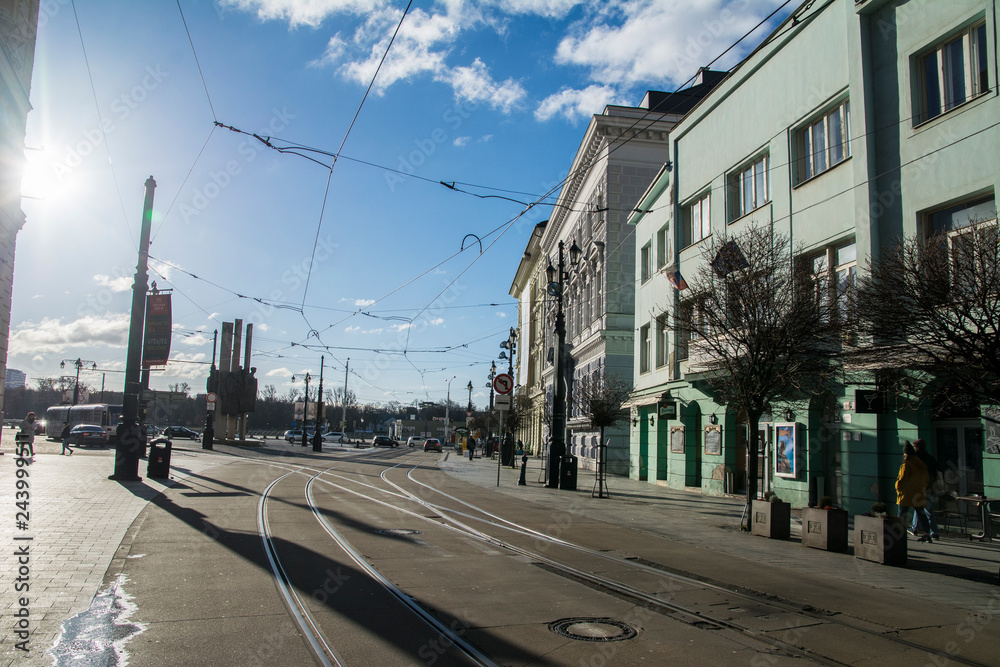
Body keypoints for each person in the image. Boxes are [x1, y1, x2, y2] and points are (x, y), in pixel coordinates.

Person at [896, 441, 931, 541]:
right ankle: (927, 533)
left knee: (902, 514)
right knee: (921, 513)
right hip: (919, 493)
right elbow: (926, 479)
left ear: (906, 454)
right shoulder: (921, 464)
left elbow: (902, 479)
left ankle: (899, 533)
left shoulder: (906, 465)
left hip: (906, 493)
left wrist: (898, 488)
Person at [911, 438, 939, 539]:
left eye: (914, 447)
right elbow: (935, 473)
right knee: (919, 507)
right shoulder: (930, 458)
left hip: (919, 487)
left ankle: (934, 532)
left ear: (916, 447)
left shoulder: (915, 458)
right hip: (929, 486)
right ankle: (914, 528)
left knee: (927, 510)